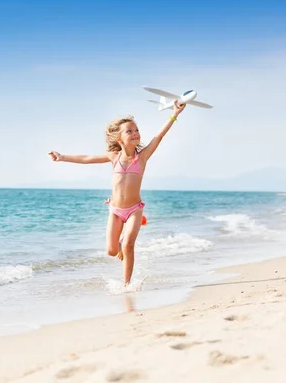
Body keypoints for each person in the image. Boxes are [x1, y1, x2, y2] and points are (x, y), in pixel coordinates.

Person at [48, 100, 187, 285]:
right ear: (119, 138)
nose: (135, 133)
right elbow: (87, 158)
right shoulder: (113, 157)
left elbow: (159, 136)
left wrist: (175, 113)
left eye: (136, 130)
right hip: (115, 210)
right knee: (112, 251)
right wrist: (62, 157)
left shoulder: (142, 157)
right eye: (129, 131)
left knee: (129, 244)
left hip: (134, 210)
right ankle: (119, 245)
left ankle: (126, 284)